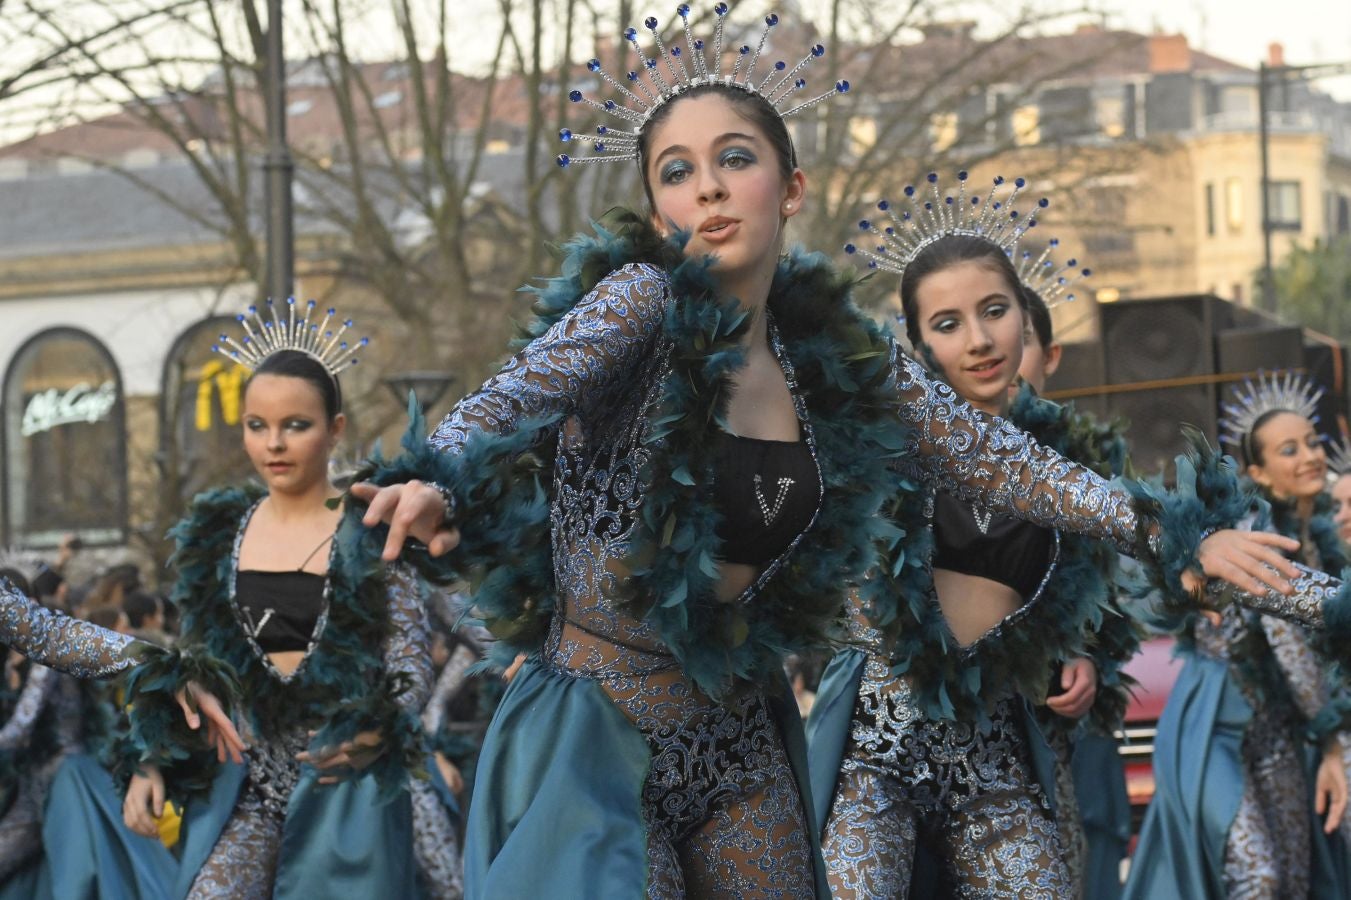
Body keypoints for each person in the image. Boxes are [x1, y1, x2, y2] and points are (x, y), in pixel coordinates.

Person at [349, 10, 1306, 898]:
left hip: (740, 735)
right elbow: (514, 395)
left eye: (734, 159)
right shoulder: (639, 304)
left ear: (791, 187)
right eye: (676, 172)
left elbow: (1001, 462)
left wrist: (1173, 530)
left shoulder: (839, 359)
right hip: (600, 729)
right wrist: (437, 475)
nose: (708, 187)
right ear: (656, 212)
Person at [809, 206, 1138, 896]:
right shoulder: (875, 445)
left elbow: (1092, 599)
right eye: (948, 323)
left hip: (998, 756)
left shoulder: (1068, 468)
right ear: (917, 342)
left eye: (995, 311)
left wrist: (1082, 656)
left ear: (1025, 316)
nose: (981, 340)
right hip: (874, 755)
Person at [113, 319, 460, 900]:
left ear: (335, 429)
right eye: (258, 426)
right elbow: (195, 672)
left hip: (348, 785)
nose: (273, 444)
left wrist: (382, 725)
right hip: (246, 792)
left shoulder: (370, 527)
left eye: (295, 425)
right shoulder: (217, 536)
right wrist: (150, 757)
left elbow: (408, 652)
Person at [1124, 371, 1349, 899]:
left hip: (1279, 735)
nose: (1310, 457)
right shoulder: (1255, 529)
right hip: (1215, 730)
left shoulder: (1318, 540)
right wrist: (1334, 740)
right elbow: (1292, 650)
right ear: (1258, 472)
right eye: (1289, 450)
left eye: (1313, 442)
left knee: (1292, 881)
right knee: (1257, 874)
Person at [1018, 283, 1137, 899]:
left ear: (1051, 354)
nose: (989, 346)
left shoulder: (1091, 466)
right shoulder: (914, 459)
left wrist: (1091, 656)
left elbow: (1116, 593)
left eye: (1015, 333)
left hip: (1073, 730)